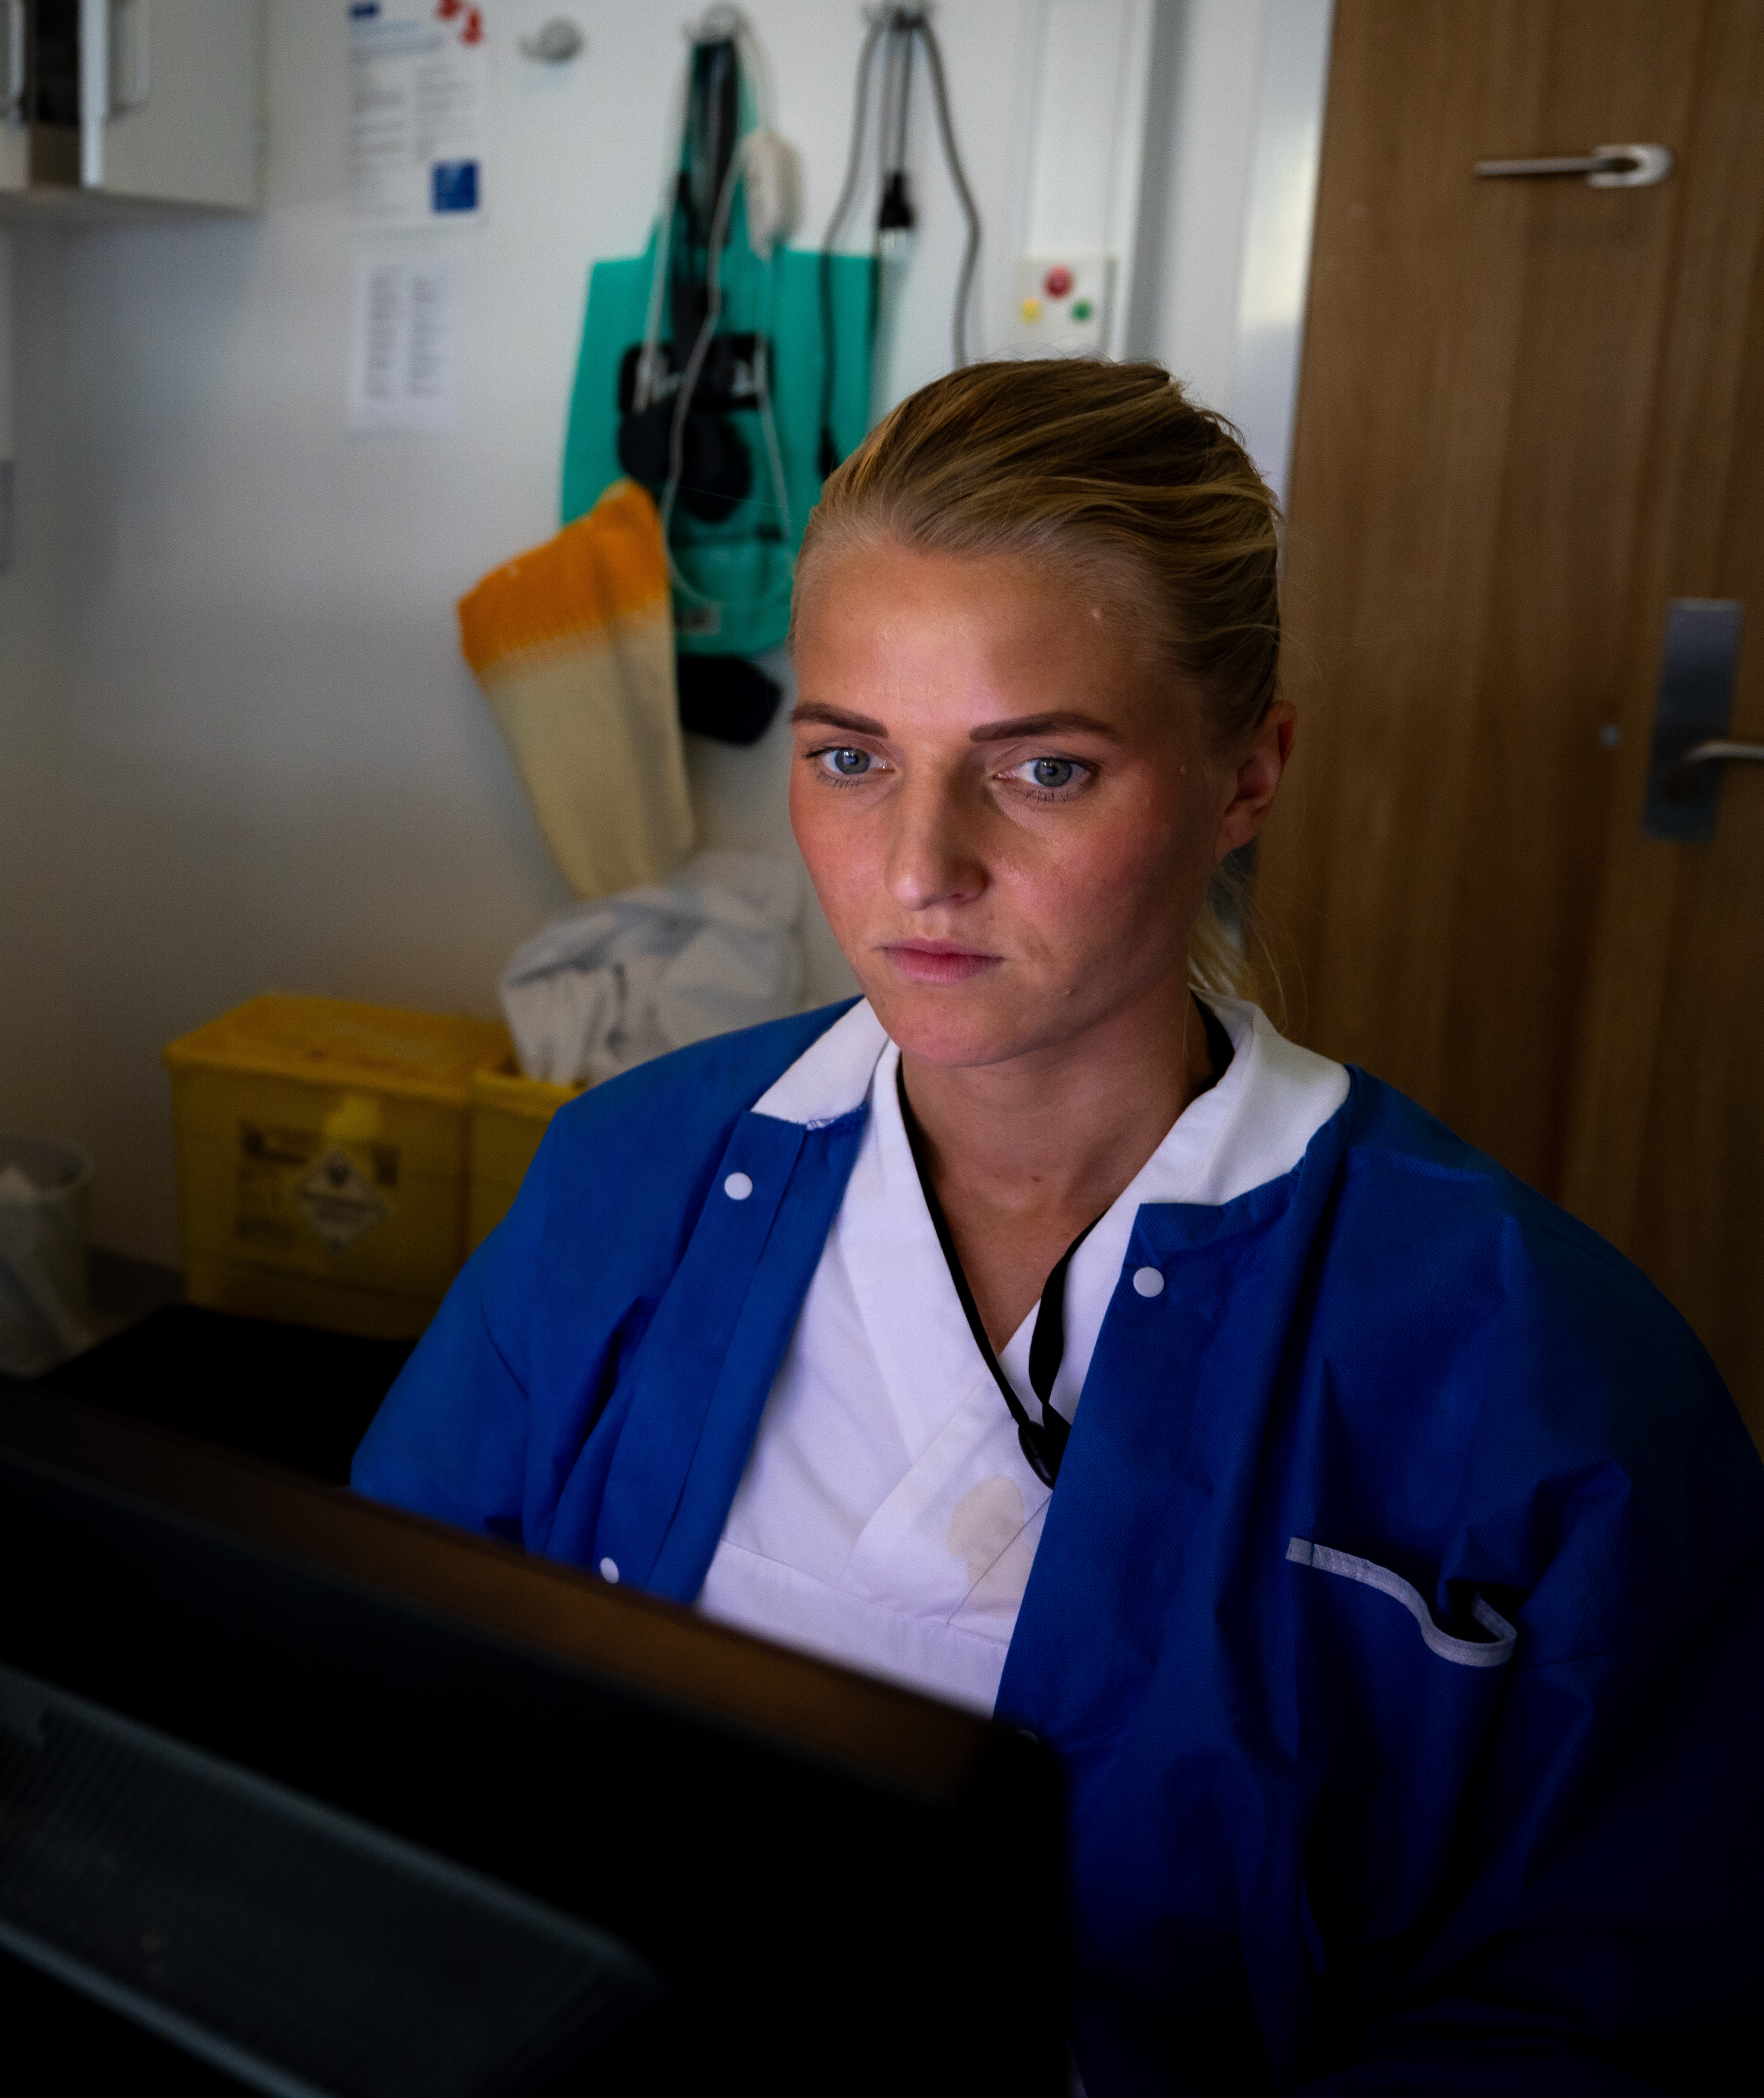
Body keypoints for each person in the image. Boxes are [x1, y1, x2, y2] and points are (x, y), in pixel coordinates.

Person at [354, 361, 1764, 2085]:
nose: (915, 864)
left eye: (1038, 769)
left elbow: (1602, 2007)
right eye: (851, 755)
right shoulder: (623, 1185)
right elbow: (383, 1680)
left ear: (1245, 775)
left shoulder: (1542, 1377)